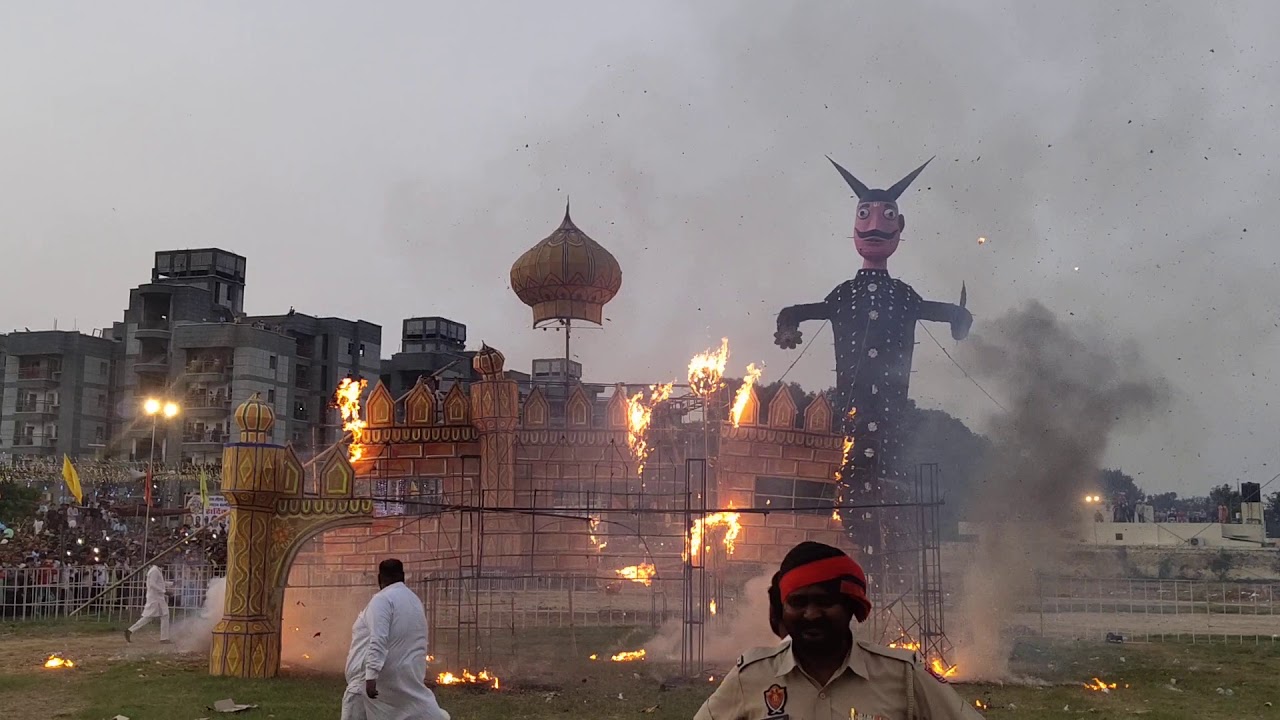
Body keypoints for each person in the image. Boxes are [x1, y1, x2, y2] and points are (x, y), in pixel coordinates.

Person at [695, 542, 981, 720]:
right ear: (783, 609)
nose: (811, 614)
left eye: (825, 602)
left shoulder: (903, 674)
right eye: (798, 602)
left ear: (850, 606)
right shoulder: (751, 676)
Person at [342, 558, 449, 720]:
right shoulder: (414, 600)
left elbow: (378, 639)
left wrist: (371, 676)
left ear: (380, 578)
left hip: (367, 681)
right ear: (403, 576)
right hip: (405, 676)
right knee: (415, 710)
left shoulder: (381, 600)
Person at [125, 562, 171, 643]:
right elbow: (152, 584)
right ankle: (164, 638)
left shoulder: (156, 570)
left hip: (157, 597)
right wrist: (164, 591)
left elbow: (160, 583)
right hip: (155, 598)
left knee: (154, 616)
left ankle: (130, 630)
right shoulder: (154, 571)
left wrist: (171, 584)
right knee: (159, 616)